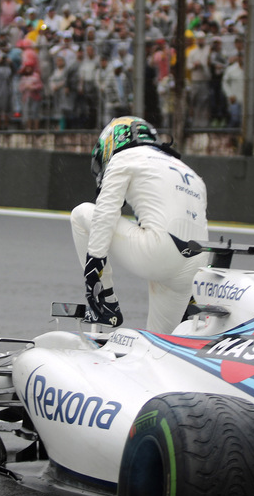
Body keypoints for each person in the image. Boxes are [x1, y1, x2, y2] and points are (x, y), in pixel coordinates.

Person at [70, 116, 209, 334]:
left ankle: (106, 304)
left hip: (157, 251)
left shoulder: (124, 156)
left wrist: (93, 271)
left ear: (111, 144)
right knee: (159, 348)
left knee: (81, 214)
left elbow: (105, 213)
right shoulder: (189, 172)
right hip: (194, 264)